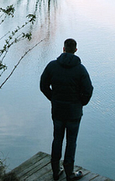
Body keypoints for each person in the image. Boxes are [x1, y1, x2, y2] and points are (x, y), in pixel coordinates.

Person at [40, 38, 94, 181]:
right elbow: (88, 90)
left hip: (58, 110)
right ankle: (70, 173)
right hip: (74, 112)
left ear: (63, 49)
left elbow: (43, 86)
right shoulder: (81, 69)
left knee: (57, 139)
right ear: (75, 51)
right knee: (71, 141)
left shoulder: (52, 66)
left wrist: (53, 99)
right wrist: (80, 103)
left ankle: (56, 172)